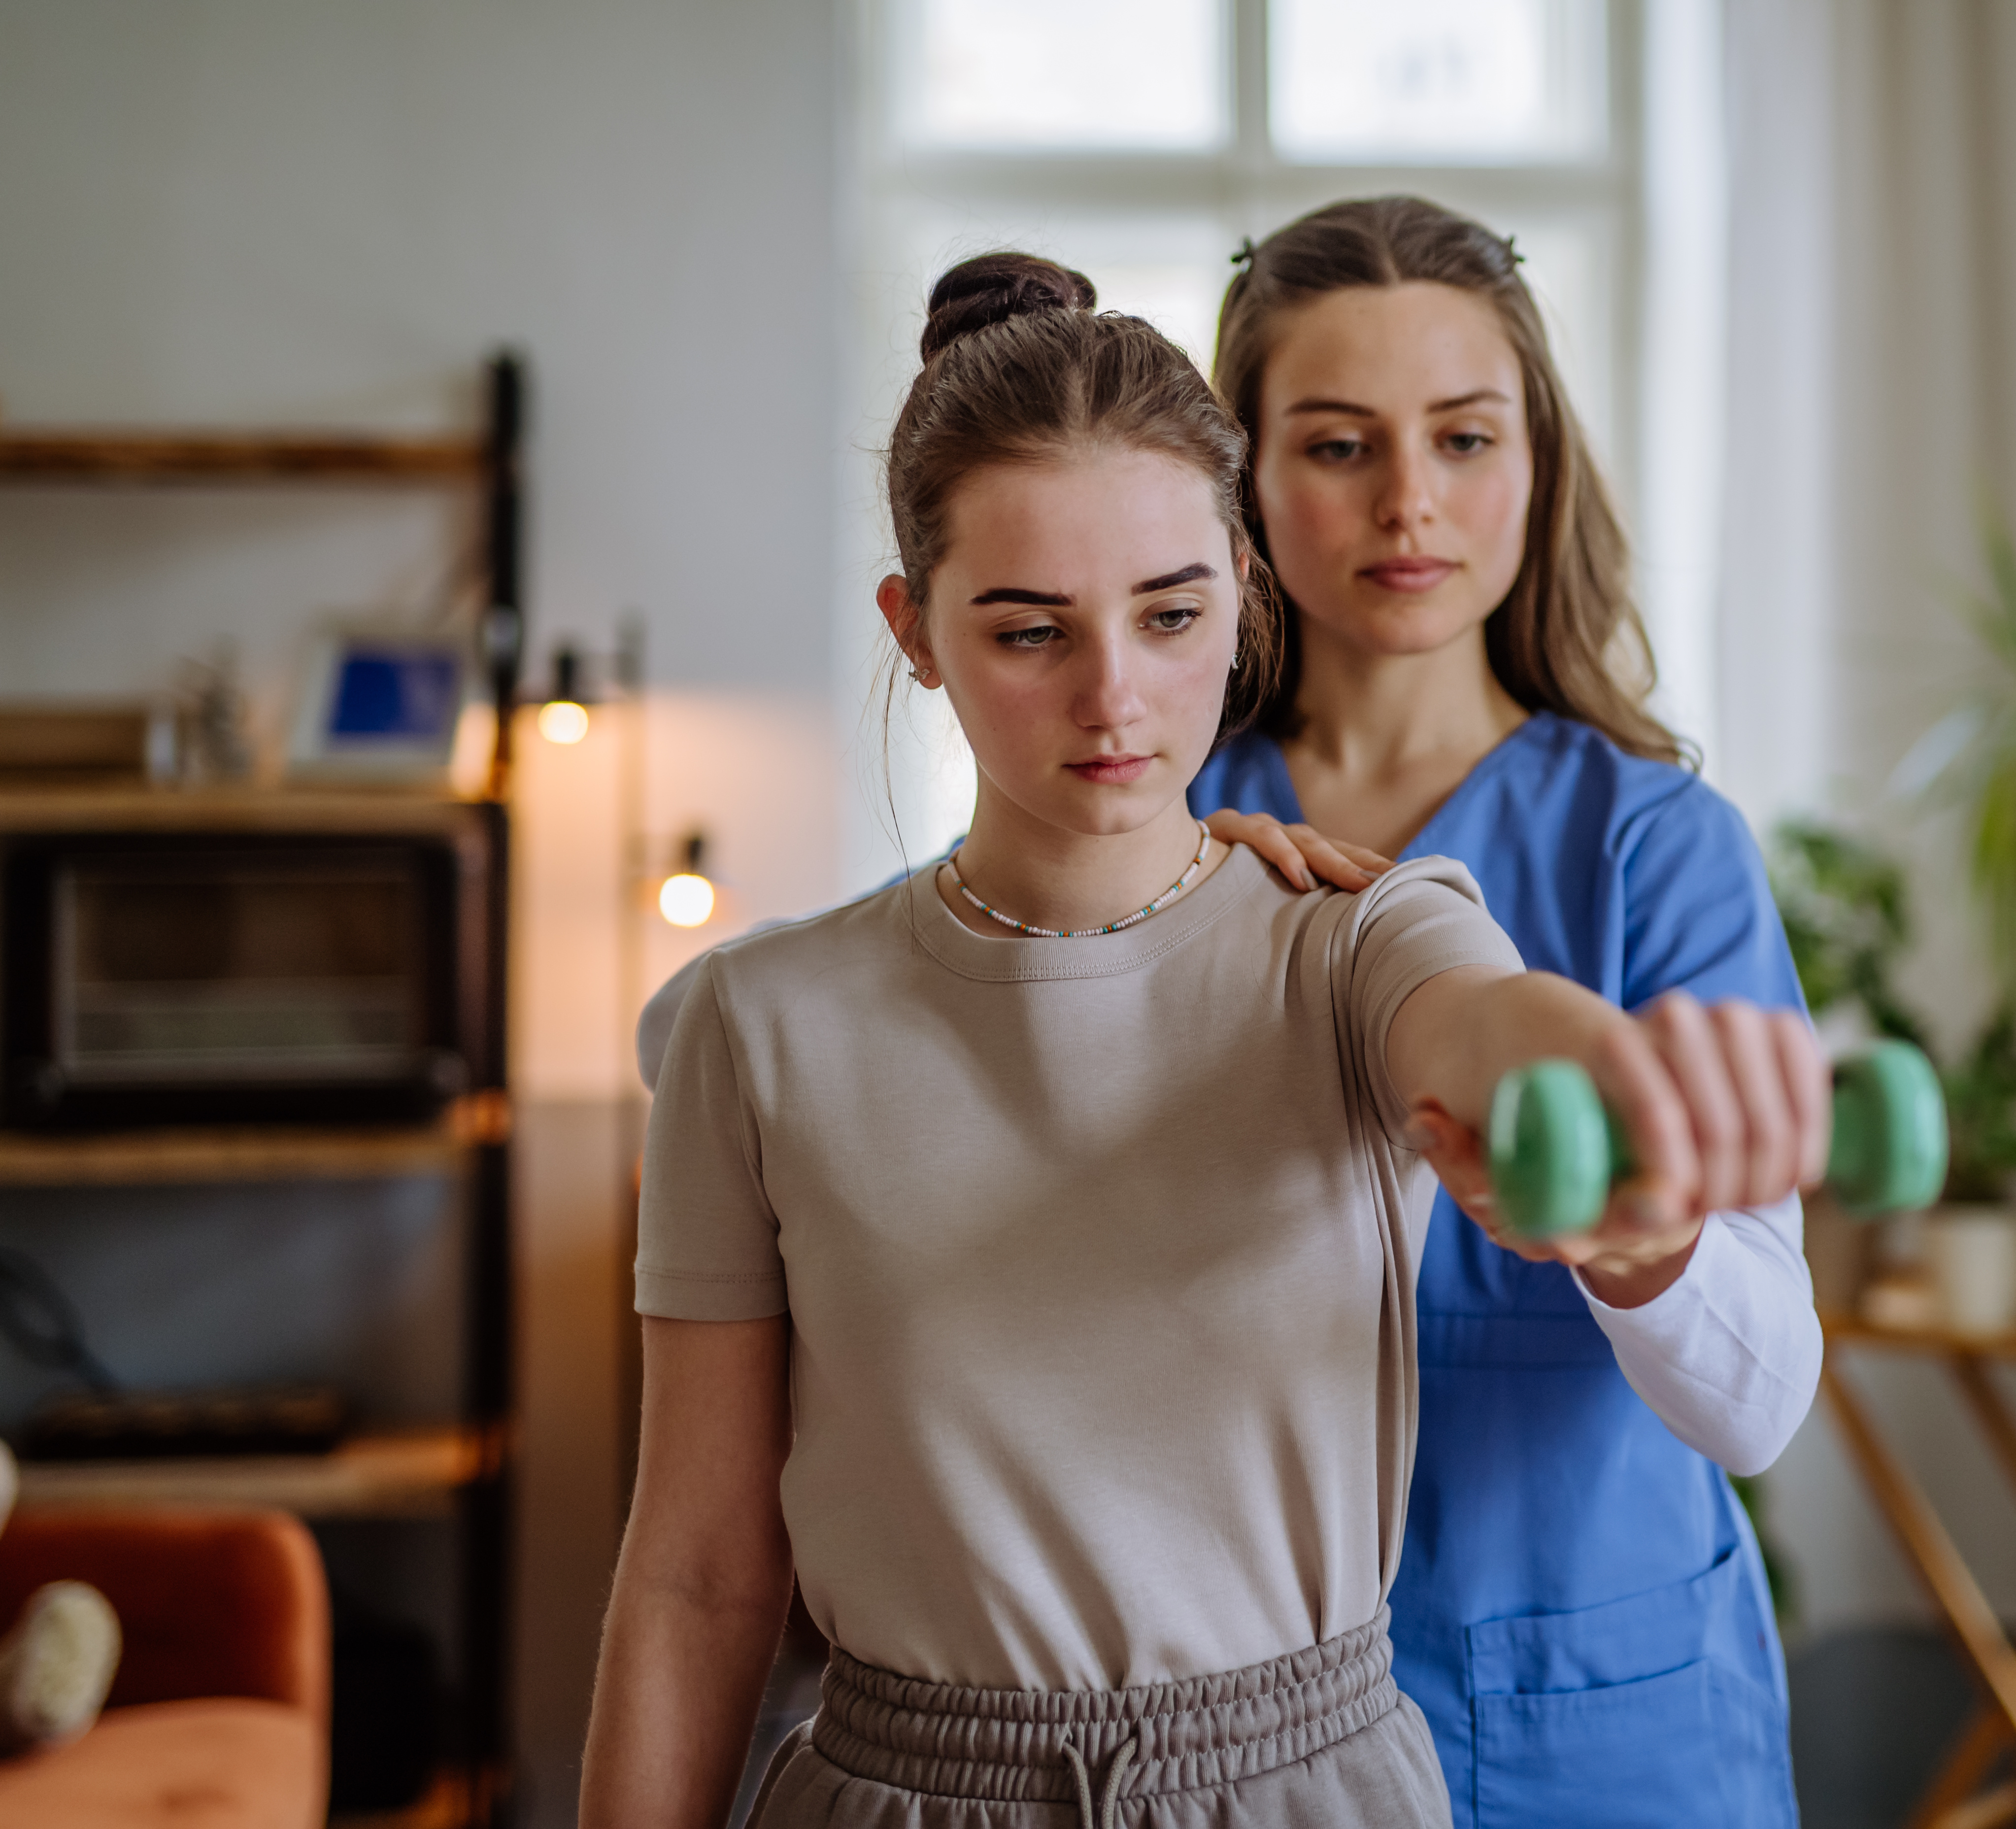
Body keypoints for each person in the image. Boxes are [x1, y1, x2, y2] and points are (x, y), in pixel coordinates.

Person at [579, 254, 1826, 1829]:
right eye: (1031, 631)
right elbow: (694, 1571)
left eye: (1168, 614)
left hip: (1505, 1709)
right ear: (918, 629)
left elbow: (1491, 1020)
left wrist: (1622, 1117)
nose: (1113, 695)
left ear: (1228, 590)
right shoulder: (811, 1001)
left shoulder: (1376, 920)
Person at [1188, 197, 1820, 1828]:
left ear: (1538, 460)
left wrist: (1643, 1244)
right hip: (1232, 1722)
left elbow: (1758, 1402)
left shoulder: (1654, 847)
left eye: (1465, 438)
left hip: (1613, 1726)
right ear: (1243, 478)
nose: (1411, 502)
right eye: (1338, 446)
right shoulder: (1164, 840)